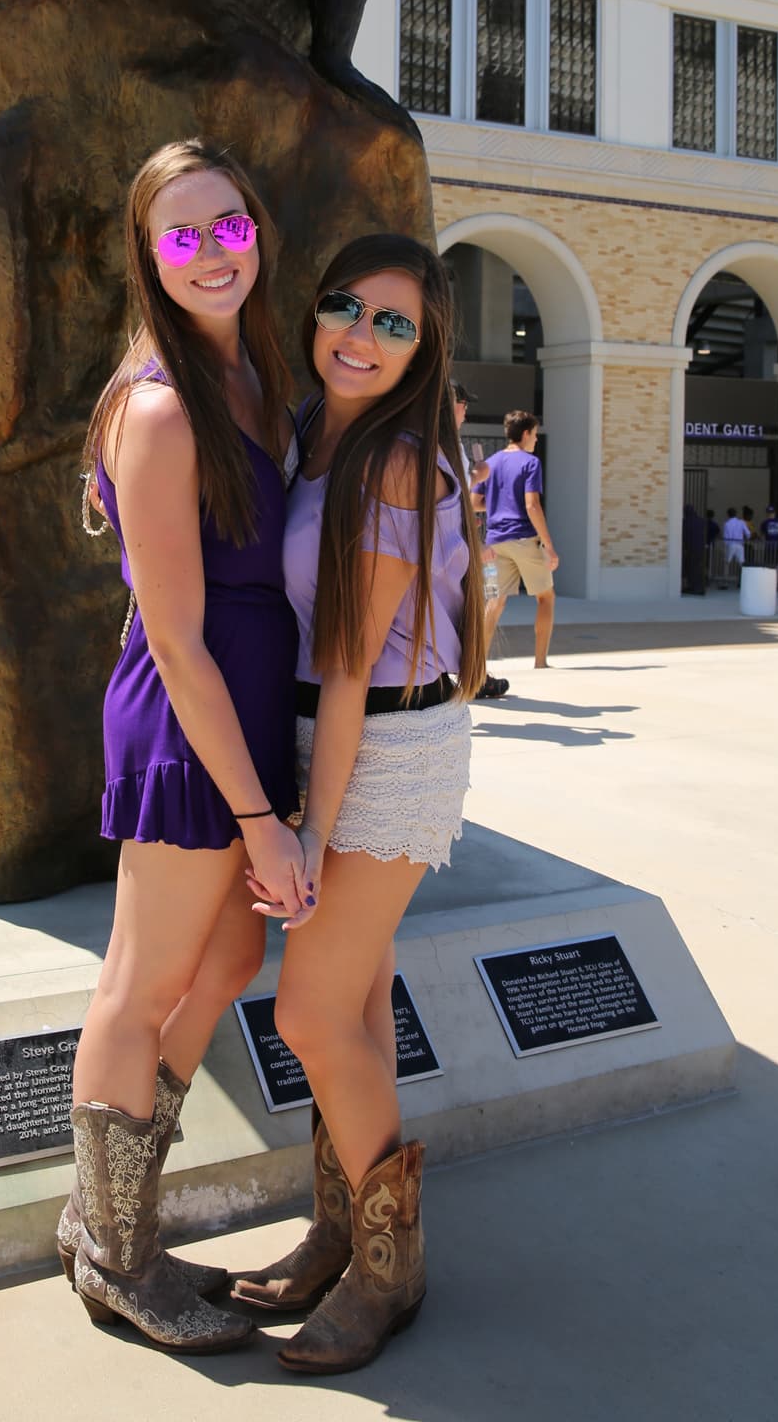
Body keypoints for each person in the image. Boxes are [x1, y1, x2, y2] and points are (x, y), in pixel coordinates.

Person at [60, 140, 302, 1355]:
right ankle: (112, 1251)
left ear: (255, 228)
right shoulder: (159, 407)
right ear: (149, 258)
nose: (212, 253)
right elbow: (174, 632)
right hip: (186, 715)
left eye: (228, 226)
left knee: (225, 964)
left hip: (244, 710)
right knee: (141, 982)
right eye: (181, 236)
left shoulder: (247, 376)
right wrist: (260, 816)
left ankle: (109, 1210)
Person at [232, 235, 485, 1375]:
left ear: (425, 346)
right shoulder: (305, 432)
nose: (362, 334)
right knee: (356, 1009)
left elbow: (345, 669)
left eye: (394, 322)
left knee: (307, 1016)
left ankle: (391, 1267)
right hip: (324, 731)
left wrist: (310, 830)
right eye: (346, 307)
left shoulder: (392, 462)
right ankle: (340, 1234)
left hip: (383, 745)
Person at [482, 411, 559, 669]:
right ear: (525, 434)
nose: (536, 440)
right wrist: (548, 544)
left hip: (494, 542)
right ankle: (540, 662)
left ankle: (478, 664)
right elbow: (532, 505)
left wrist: (498, 503)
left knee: (494, 601)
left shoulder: (490, 463)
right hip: (524, 539)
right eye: (535, 435)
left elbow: (473, 503)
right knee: (545, 597)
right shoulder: (530, 462)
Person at [453, 382, 508, 701]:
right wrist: (476, 545)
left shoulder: (450, 444)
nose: (465, 409)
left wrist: (477, 477)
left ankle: (476, 676)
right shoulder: (441, 442)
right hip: (454, 549)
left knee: (472, 613)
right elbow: (452, 503)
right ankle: (475, 678)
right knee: (472, 613)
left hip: (458, 547)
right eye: (462, 402)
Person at [722, 506, 749, 571]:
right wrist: (746, 539)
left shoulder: (727, 524)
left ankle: (726, 576)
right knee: (741, 562)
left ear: (728, 514)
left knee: (727, 562)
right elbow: (748, 533)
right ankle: (742, 577)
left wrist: (726, 545)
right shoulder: (741, 522)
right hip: (740, 544)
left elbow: (725, 537)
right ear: (736, 514)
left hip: (731, 544)